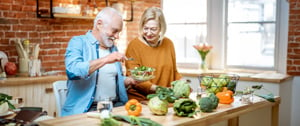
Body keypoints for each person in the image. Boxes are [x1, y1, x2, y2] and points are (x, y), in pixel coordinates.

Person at [62, 7, 135, 117]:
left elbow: (108, 78)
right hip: (86, 110)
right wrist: (105, 59)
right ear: (99, 24)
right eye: (114, 31)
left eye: (119, 32)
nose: (117, 36)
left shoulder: (112, 49)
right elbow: (72, 71)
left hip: (115, 107)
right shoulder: (78, 42)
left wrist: (128, 80)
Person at [125, 7, 182, 102]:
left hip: (165, 99)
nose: (148, 33)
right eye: (145, 28)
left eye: (153, 29)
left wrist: (181, 84)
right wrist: (161, 90)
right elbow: (135, 79)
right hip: (141, 100)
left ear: (161, 28)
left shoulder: (168, 44)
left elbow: (174, 71)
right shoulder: (134, 46)